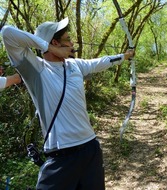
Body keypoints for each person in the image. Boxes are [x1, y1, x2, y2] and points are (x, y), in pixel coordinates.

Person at [1, 17, 134, 190]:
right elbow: (7, 33)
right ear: (55, 42)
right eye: (68, 40)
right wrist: (49, 47)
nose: (72, 43)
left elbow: (99, 63)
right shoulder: (36, 69)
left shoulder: (74, 65)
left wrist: (125, 56)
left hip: (90, 148)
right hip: (61, 155)